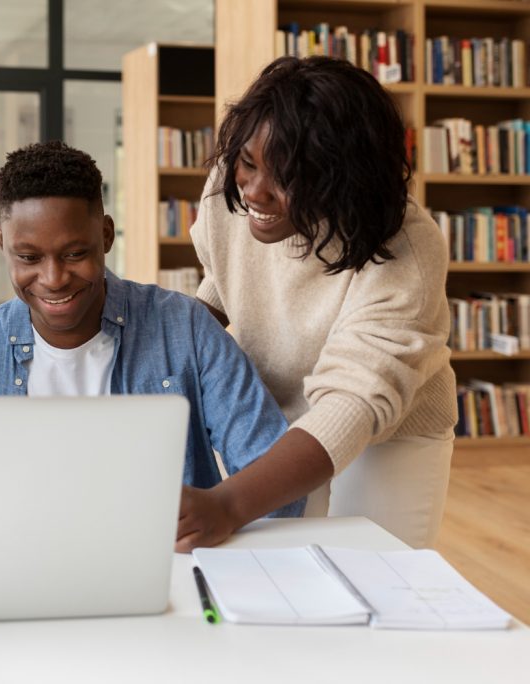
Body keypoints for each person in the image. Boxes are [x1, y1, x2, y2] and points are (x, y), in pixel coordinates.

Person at [0, 140, 323, 551]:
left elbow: (277, 485)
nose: (53, 278)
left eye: (74, 253)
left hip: (166, 571)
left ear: (106, 234)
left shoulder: (186, 329)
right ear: (1, 242)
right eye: (28, 258)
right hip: (16, 566)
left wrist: (220, 516)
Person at [191, 56, 457, 548]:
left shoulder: (408, 251)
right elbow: (223, 282)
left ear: (344, 180)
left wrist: (228, 504)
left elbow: (353, 402)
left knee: (380, 584)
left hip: (390, 433)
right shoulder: (231, 188)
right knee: (282, 571)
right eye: (248, 162)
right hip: (278, 420)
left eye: (287, 178)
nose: (254, 191)